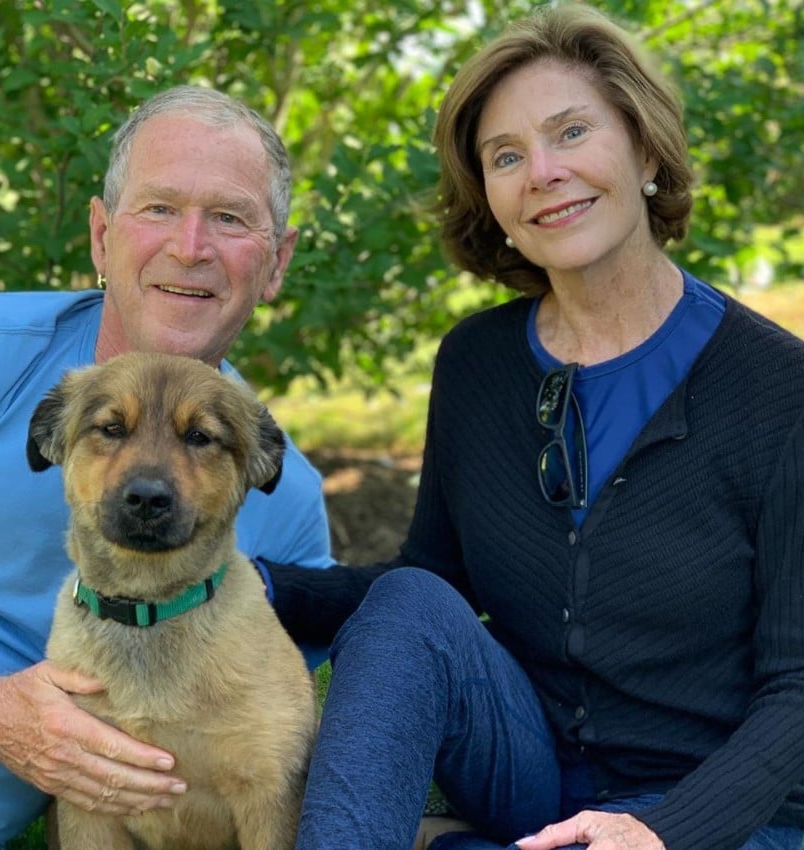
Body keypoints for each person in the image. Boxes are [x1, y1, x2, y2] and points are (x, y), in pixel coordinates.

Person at [263, 6, 804, 850]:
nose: (541, 172)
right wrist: (261, 587)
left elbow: (799, 687)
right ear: (489, 196)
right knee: (408, 600)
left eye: (571, 132)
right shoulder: (475, 364)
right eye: (505, 156)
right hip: (532, 783)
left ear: (646, 149)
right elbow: (432, 585)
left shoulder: (778, 388)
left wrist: (660, 834)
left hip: (718, 815)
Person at [0, 85, 334, 850]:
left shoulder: (285, 491)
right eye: (158, 208)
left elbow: (273, 760)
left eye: (230, 217)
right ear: (100, 233)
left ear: (276, 262)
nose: (190, 246)